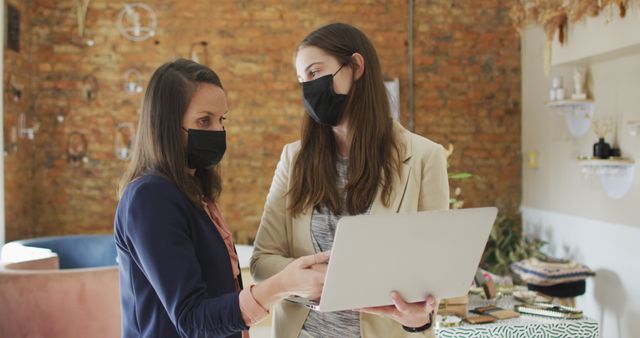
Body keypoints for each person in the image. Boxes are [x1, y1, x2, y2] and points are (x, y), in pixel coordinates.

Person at [250, 23, 450, 338]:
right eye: (303, 80)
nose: (309, 89)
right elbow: (262, 262)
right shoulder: (294, 159)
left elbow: (431, 276)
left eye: (315, 73)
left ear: (356, 66)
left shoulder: (425, 157)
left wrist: (418, 319)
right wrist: (315, 278)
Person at [114, 59, 329, 338]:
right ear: (166, 125)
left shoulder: (193, 191)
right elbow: (191, 319)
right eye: (204, 120)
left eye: (221, 119)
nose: (218, 131)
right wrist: (281, 284)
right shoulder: (150, 197)